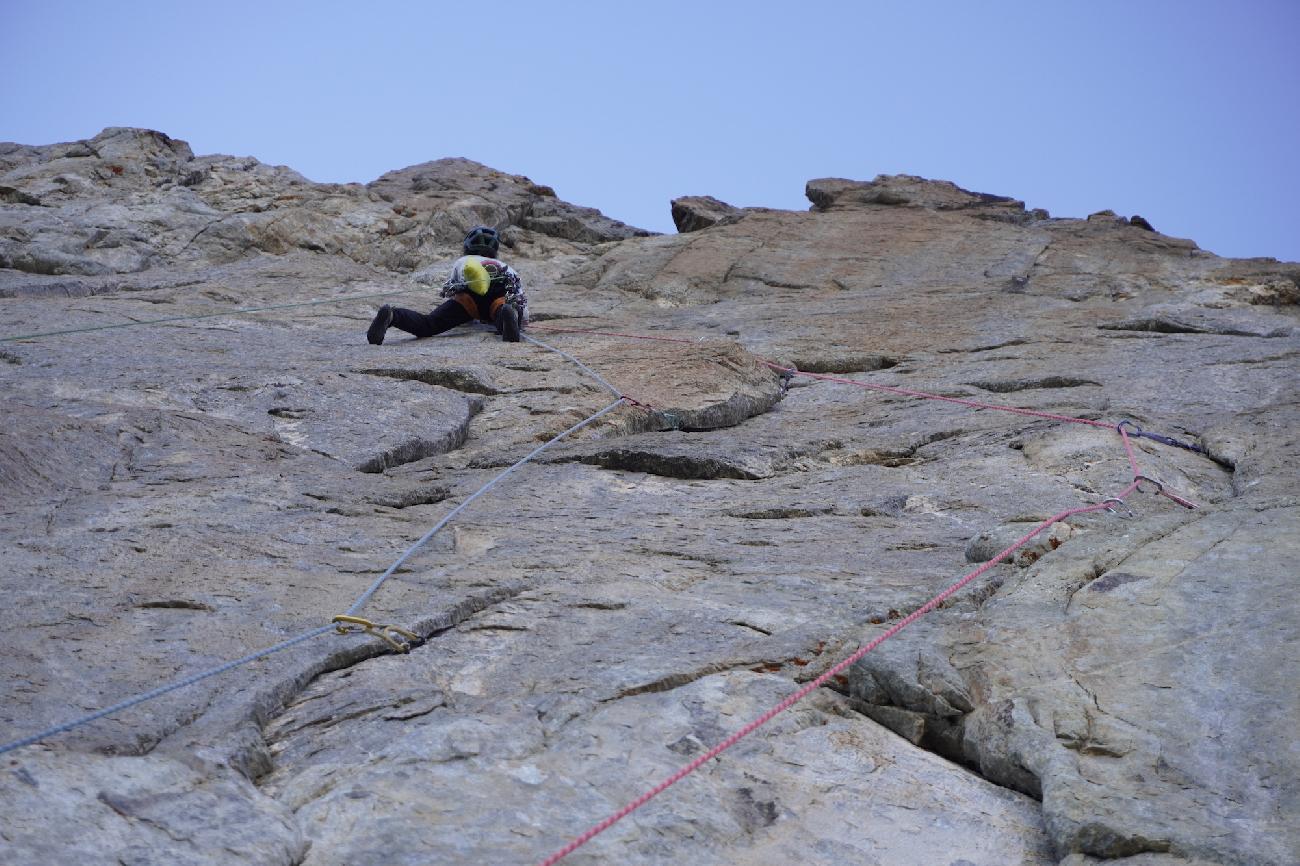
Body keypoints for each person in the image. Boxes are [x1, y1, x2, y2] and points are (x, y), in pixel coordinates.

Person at [367, 226, 527, 345]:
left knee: (428, 324)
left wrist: (460, 313)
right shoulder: (508, 267)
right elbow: (519, 296)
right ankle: (507, 318)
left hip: (468, 300)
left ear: (467, 248)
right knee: (503, 313)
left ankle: (393, 315)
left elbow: (452, 288)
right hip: (499, 298)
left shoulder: (465, 261)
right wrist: (521, 319)